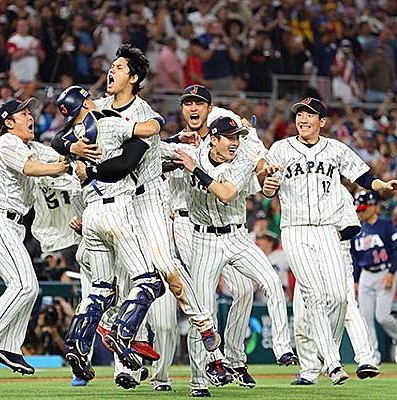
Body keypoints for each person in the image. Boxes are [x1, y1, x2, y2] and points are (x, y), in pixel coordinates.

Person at [70, 45, 218, 391]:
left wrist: (87, 167)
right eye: (112, 65)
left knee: (166, 269)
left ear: (133, 78)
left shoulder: (144, 114)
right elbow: (68, 138)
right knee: (121, 282)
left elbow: (126, 162)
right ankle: (122, 344)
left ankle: (203, 324)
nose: (111, 71)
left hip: (146, 199)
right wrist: (73, 149)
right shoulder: (99, 108)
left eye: (119, 67)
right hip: (115, 205)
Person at [262, 97, 397, 385]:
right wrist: (268, 187)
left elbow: (362, 175)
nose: (304, 119)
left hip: (326, 230)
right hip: (296, 229)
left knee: (338, 297)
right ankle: (333, 365)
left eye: (311, 115)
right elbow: (268, 184)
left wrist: (381, 185)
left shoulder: (335, 149)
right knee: (314, 295)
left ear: (322, 122)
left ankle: (327, 354)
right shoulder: (281, 149)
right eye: (300, 114)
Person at [173, 116, 297, 397]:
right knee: (203, 314)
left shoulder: (241, 160)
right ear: (213, 139)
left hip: (237, 236)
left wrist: (195, 170)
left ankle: (282, 347)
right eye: (229, 137)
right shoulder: (192, 153)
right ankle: (198, 381)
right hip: (203, 239)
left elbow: (226, 193)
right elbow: (159, 152)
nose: (235, 142)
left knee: (271, 282)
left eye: (237, 137)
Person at [52, 85, 166, 384]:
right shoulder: (110, 121)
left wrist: (74, 151)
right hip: (118, 209)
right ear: (87, 102)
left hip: (90, 215)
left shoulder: (72, 138)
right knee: (150, 282)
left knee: (101, 289)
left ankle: (77, 342)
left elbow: (56, 142)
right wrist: (159, 121)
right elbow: (150, 128)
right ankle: (122, 331)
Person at [0, 98, 69, 375]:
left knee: (29, 287)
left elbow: (60, 158)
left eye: (30, 112)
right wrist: (60, 168)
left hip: (11, 227)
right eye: (23, 113)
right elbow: (30, 168)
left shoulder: (31, 147)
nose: (29, 116)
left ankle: (10, 346)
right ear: (8, 122)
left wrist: (74, 151)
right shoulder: (7, 142)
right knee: (24, 285)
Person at [292, 187, 380, 385]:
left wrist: (327, 239)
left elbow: (353, 226)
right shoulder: (298, 188)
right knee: (301, 316)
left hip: (336, 254)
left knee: (347, 306)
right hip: (305, 255)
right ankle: (309, 371)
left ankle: (366, 359)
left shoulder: (338, 191)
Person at [351, 191, 397, 365]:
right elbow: (354, 257)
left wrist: (392, 273)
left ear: (372, 207)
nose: (360, 213)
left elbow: (395, 250)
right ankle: (372, 358)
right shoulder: (357, 228)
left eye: (362, 209)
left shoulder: (385, 225)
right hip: (366, 275)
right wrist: (355, 280)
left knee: (383, 316)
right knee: (365, 318)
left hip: (385, 272)